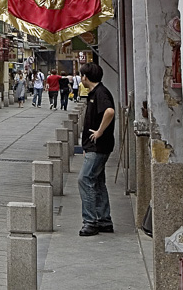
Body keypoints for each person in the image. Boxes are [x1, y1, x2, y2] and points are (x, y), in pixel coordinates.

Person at [78, 62, 116, 236]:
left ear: (85, 77)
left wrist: (100, 131)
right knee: (98, 181)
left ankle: (90, 221)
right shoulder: (95, 93)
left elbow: (110, 111)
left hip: (99, 146)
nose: (81, 78)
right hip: (95, 146)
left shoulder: (101, 92)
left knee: (85, 179)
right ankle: (104, 220)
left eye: (82, 75)